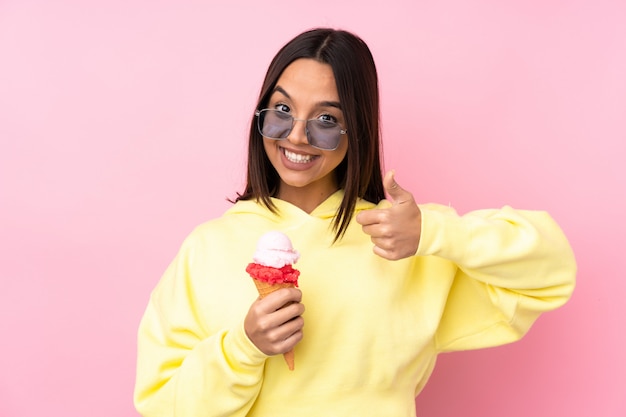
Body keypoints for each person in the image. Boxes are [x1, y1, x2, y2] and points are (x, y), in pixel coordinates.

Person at [133, 28, 576, 417]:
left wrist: (436, 234)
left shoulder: (403, 237)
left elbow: (551, 271)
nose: (298, 136)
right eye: (282, 110)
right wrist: (243, 348)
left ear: (357, 130)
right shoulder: (207, 247)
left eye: (328, 120)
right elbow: (161, 405)